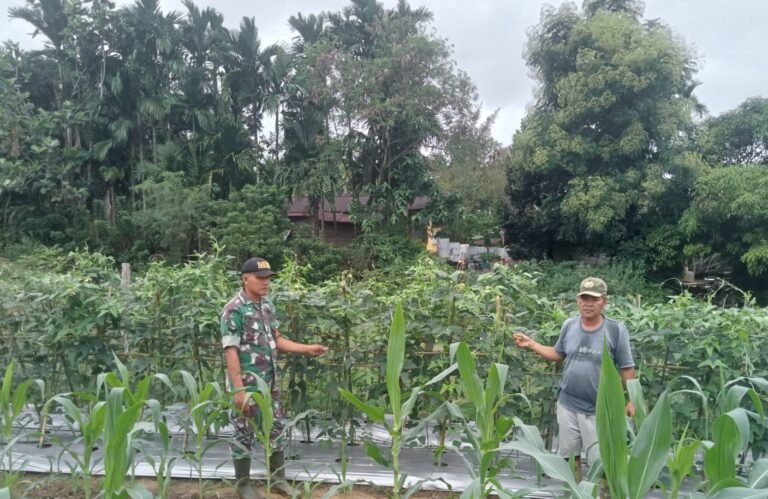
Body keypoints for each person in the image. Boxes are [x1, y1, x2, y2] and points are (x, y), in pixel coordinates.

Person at [221, 257, 328, 499]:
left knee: (276, 429)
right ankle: (243, 485)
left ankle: (278, 479)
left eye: (268, 278)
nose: (266, 282)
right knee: (243, 432)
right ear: (245, 278)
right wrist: (238, 391)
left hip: (269, 385)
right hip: (246, 385)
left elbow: (276, 340)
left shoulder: (266, 306)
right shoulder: (233, 309)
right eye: (260, 278)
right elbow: (231, 351)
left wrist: (307, 348)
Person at [513, 277, 635, 477]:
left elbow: (627, 368)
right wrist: (532, 344)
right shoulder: (570, 325)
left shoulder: (615, 330)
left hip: (600, 410)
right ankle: (574, 493)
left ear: (604, 301)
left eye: (594, 299)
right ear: (578, 301)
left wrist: (632, 400)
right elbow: (558, 354)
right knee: (570, 458)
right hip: (568, 404)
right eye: (584, 298)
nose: (588, 303)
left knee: (602, 464)